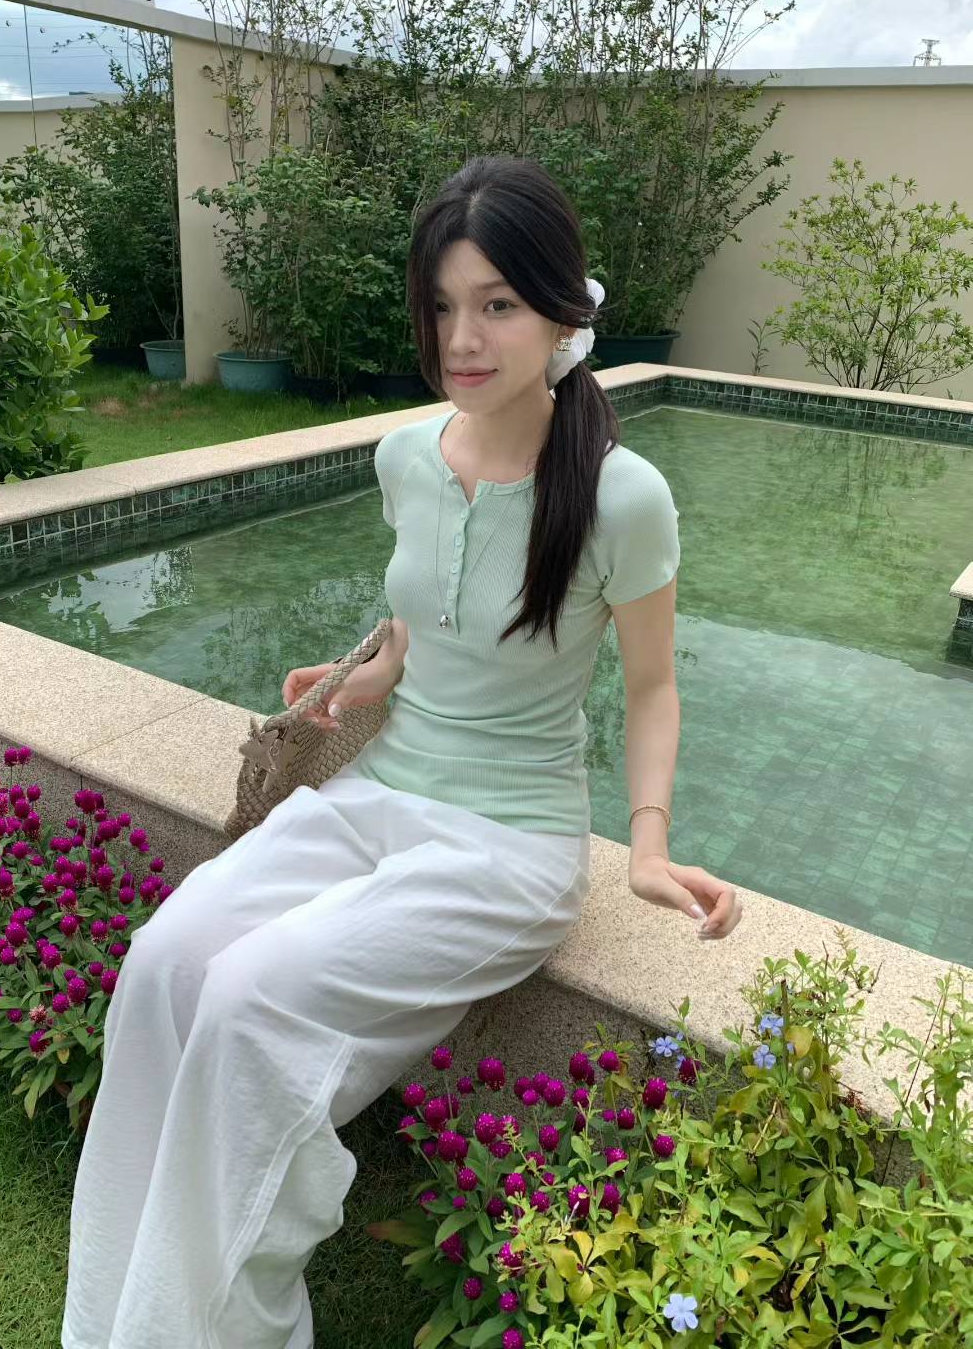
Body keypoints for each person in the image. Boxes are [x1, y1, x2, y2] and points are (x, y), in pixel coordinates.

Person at [60, 154, 742, 1349]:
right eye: (442, 305)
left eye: (498, 304)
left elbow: (652, 687)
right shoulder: (405, 458)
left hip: (506, 845)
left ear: (561, 310)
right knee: (164, 963)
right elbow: (430, 613)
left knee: (251, 1004)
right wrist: (378, 668)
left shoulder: (623, 496)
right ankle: (119, 1318)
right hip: (376, 793)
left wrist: (645, 846)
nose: (462, 339)